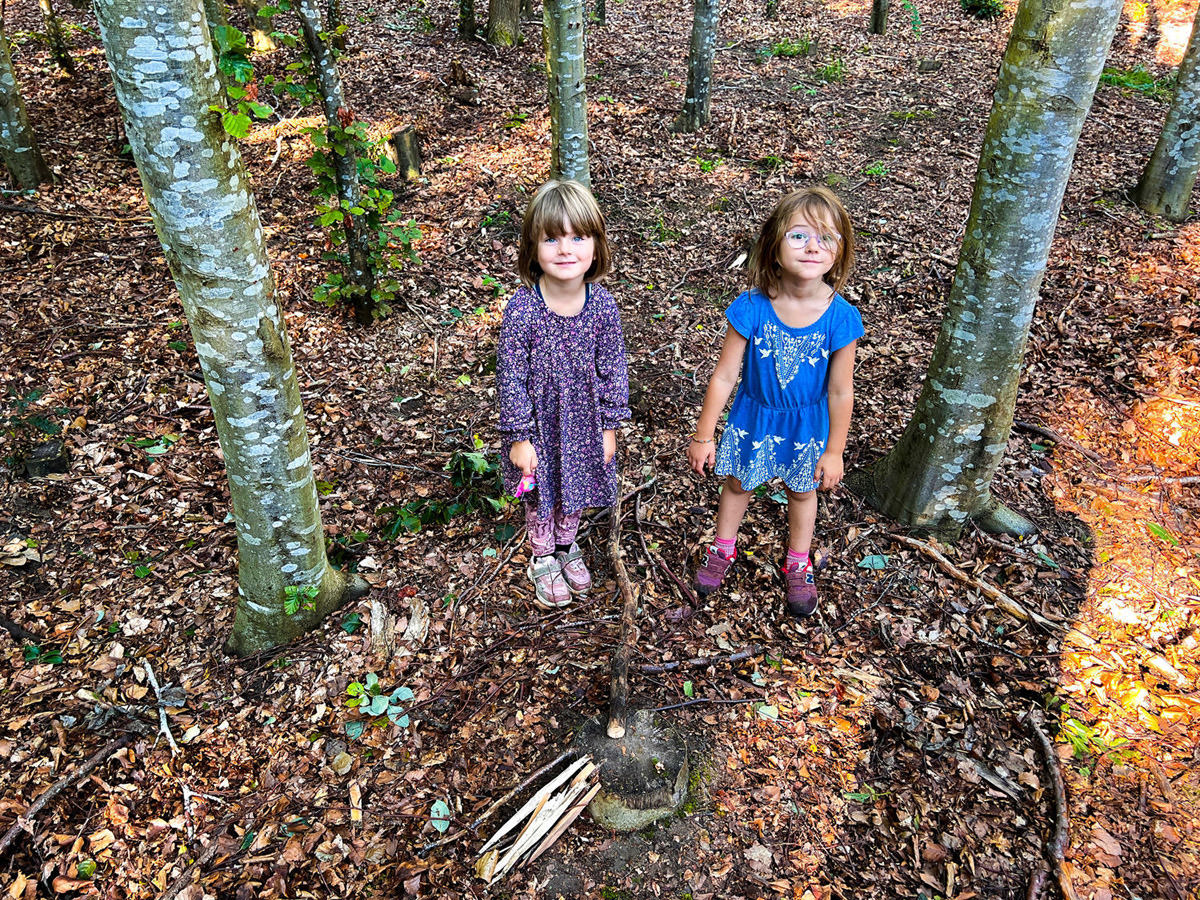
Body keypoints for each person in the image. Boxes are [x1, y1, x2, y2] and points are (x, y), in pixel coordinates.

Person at [686, 186, 862, 618]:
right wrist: (704, 435)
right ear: (774, 245)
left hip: (807, 425)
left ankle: (798, 563)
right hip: (753, 417)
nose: (813, 246)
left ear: (839, 251)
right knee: (738, 484)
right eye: (799, 235)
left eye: (827, 237)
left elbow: (841, 391)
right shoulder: (751, 307)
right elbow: (724, 375)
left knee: (802, 492)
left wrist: (835, 451)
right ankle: (722, 549)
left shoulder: (841, 317)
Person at [497, 180, 630, 609]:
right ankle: (542, 557)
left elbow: (613, 370)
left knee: (576, 485)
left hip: (584, 421)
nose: (565, 249)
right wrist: (519, 437)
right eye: (552, 239)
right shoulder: (522, 309)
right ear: (532, 248)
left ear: (596, 246)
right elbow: (511, 376)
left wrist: (609, 427)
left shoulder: (602, 306)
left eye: (578, 237)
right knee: (541, 492)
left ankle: (565, 544)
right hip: (539, 424)